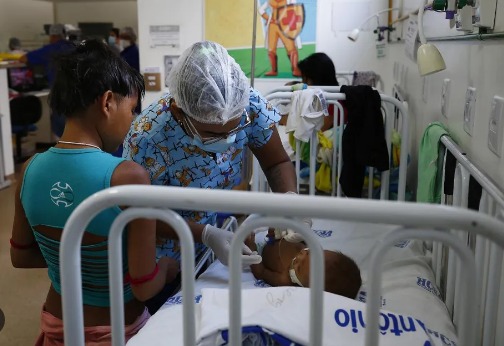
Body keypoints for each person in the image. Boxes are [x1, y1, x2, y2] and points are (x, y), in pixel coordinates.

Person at [10, 39, 179, 344]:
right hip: (116, 329)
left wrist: (71, 261)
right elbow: (144, 285)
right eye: (131, 109)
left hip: (57, 323)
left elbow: (20, 256)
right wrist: (168, 267)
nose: (133, 121)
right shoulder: (127, 177)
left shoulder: (29, 170)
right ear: (107, 102)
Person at [123, 40, 308, 311]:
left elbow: (277, 162)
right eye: (212, 133)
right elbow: (139, 212)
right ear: (178, 112)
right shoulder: (148, 137)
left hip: (207, 238)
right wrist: (205, 234)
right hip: (161, 252)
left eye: (235, 128)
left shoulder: (248, 106)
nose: (229, 139)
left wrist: (290, 202)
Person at [246, 230, 362, 298]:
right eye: (309, 253)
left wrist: (252, 250)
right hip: (277, 236)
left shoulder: (284, 280)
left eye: (299, 267)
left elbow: (260, 272)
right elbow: (301, 239)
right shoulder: (311, 249)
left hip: (261, 248)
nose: (300, 256)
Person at [19, 24, 75, 138]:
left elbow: (23, 58)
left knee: (61, 128)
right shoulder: (74, 47)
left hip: (61, 93)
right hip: (80, 93)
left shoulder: (50, 50)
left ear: (53, 36)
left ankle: (65, 151)